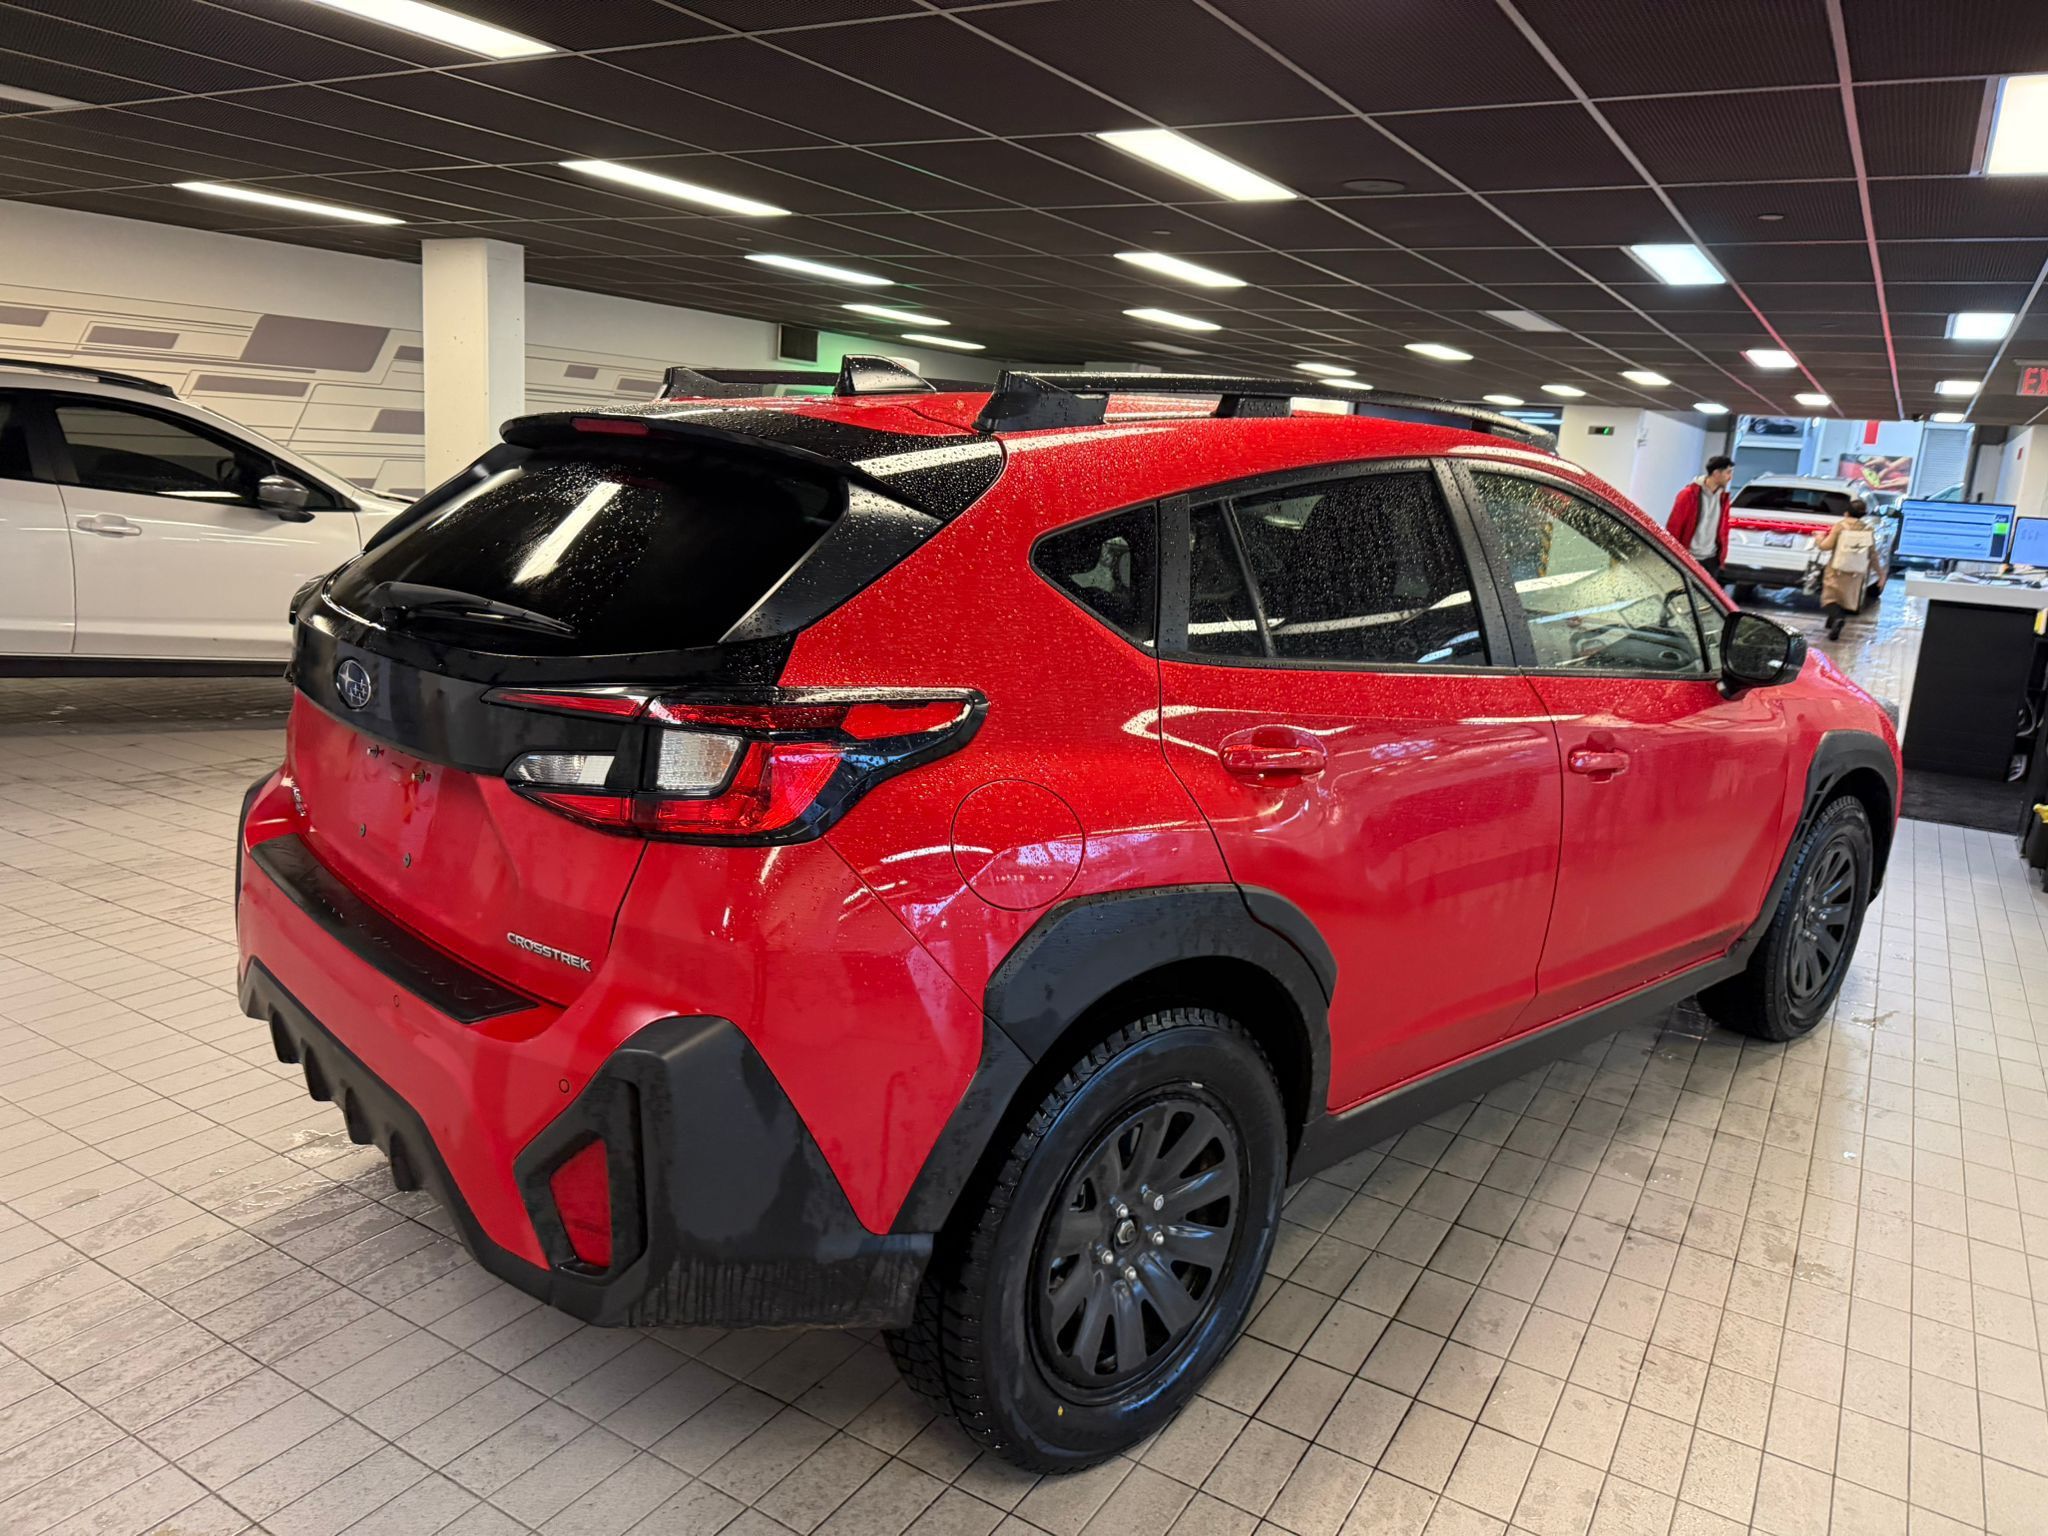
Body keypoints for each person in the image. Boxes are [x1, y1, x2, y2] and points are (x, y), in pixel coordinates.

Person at [1814, 496, 1875, 640]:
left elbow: (1825, 546)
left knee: (1829, 598)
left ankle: (1837, 619)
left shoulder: (1840, 526)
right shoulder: (1868, 529)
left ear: (1847, 512)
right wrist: (1881, 574)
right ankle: (1832, 622)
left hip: (1836, 569)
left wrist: (1819, 537)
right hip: (1856, 571)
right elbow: (1872, 553)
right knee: (1845, 598)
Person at [1668, 455, 1735, 581]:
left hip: (1711, 560)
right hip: (1688, 557)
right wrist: (1674, 556)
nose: (1730, 477)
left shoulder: (1723, 499)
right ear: (1716, 473)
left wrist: (1721, 558)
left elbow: (1724, 530)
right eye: (1728, 472)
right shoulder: (1688, 495)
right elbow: (1674, 527)